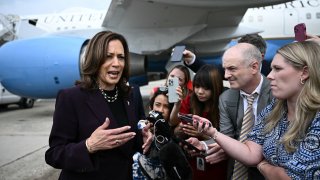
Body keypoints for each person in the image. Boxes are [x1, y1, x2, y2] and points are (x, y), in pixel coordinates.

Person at [189, 40, 320, 179]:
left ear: (304, 72)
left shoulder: (315, 117)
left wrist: (262, 164)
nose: (270, 75)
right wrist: (212, 133)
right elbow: (251, 153)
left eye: (278, 69)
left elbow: (289, 177)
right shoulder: (276, 107)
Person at [45, 31, 152, 180]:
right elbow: (54, 155)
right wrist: (89, 145)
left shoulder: (132, 93)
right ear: (95, 59)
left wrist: (146, 136)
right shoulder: (71, 98)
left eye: (121, 57)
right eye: (109, 56)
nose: (116, 63)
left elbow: (136, 137)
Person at [171, 64, 228, 180]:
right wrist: (180, 130)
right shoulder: (190, 100)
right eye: (197, 86)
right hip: (192, 160)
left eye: (206, 88)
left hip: (215, 161)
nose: (200, 92)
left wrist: (203, 135)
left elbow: (228, 139)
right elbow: (174, 123)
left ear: (215, 87)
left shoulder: (224, 104)